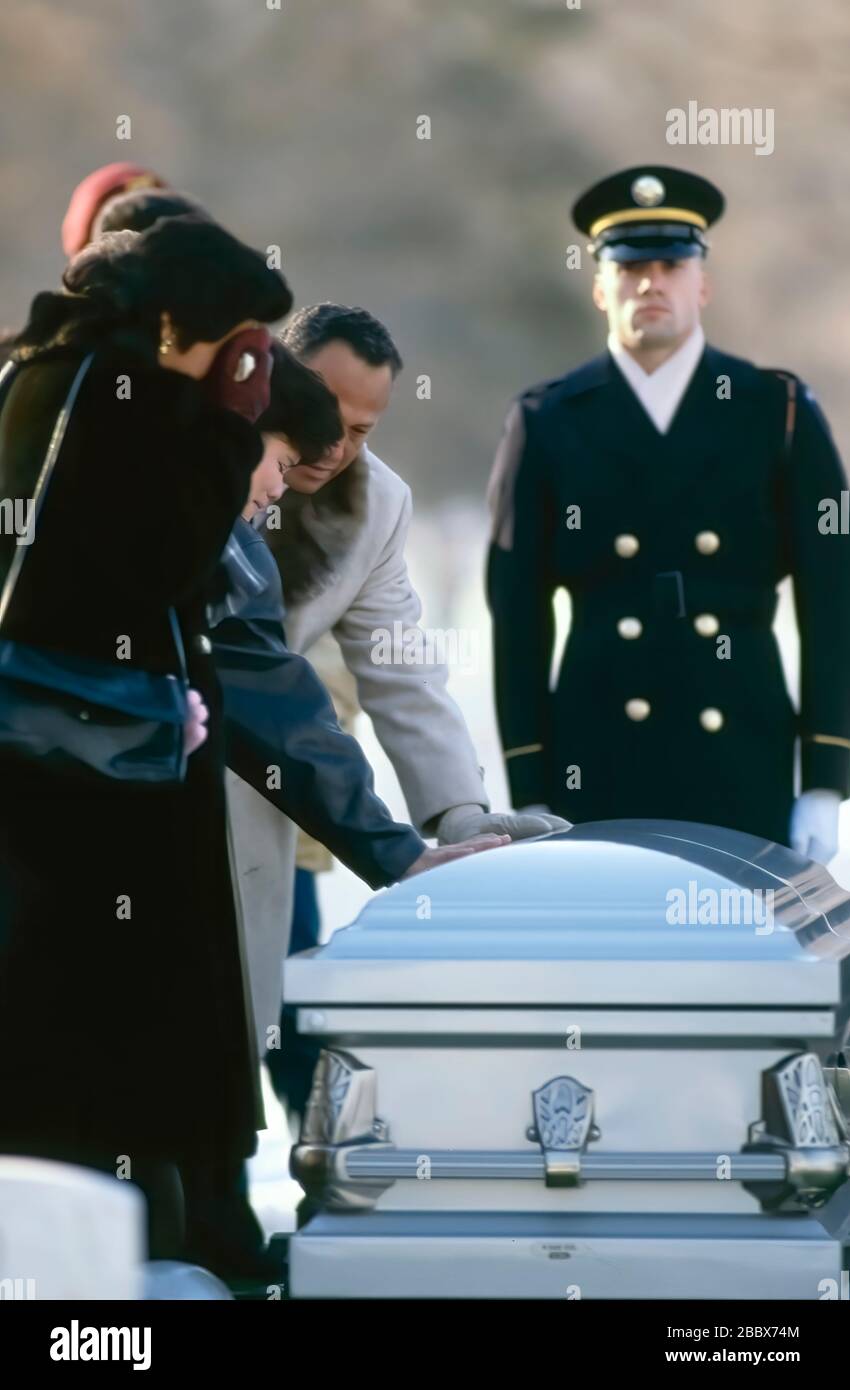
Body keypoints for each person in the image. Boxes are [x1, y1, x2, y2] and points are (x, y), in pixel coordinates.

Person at [0, 214, 291, 1271]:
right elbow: (147, 563)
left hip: (100, 770)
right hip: (73, 798)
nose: (244, 364)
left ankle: (179, 1234)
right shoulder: (106, 397)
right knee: (100, 1071)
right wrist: (227, 426)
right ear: (181, 324)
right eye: (240, 342)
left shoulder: (59, 372)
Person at [224, 305, 569, 1111]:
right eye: (326, 418)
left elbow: (402, 664)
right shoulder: (204, 461)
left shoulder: (378, 504)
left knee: (269, 1018)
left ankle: (272, 1212)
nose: (336, 446)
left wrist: (457, 810)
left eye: (362, 430)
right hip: (160, 777)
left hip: (283, 796)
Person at [486, 165, 850, 857]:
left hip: (744, 749)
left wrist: (826, 777)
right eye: (629, 268)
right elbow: (517, 613)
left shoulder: (777, 410)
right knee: (610, 960)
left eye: (671, 264)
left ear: (702, 283)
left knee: (743, 963)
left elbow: (833, 602)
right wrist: (528, 781)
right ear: (599, 287)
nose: (650, 282)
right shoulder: (545, 418)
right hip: (595, 755)